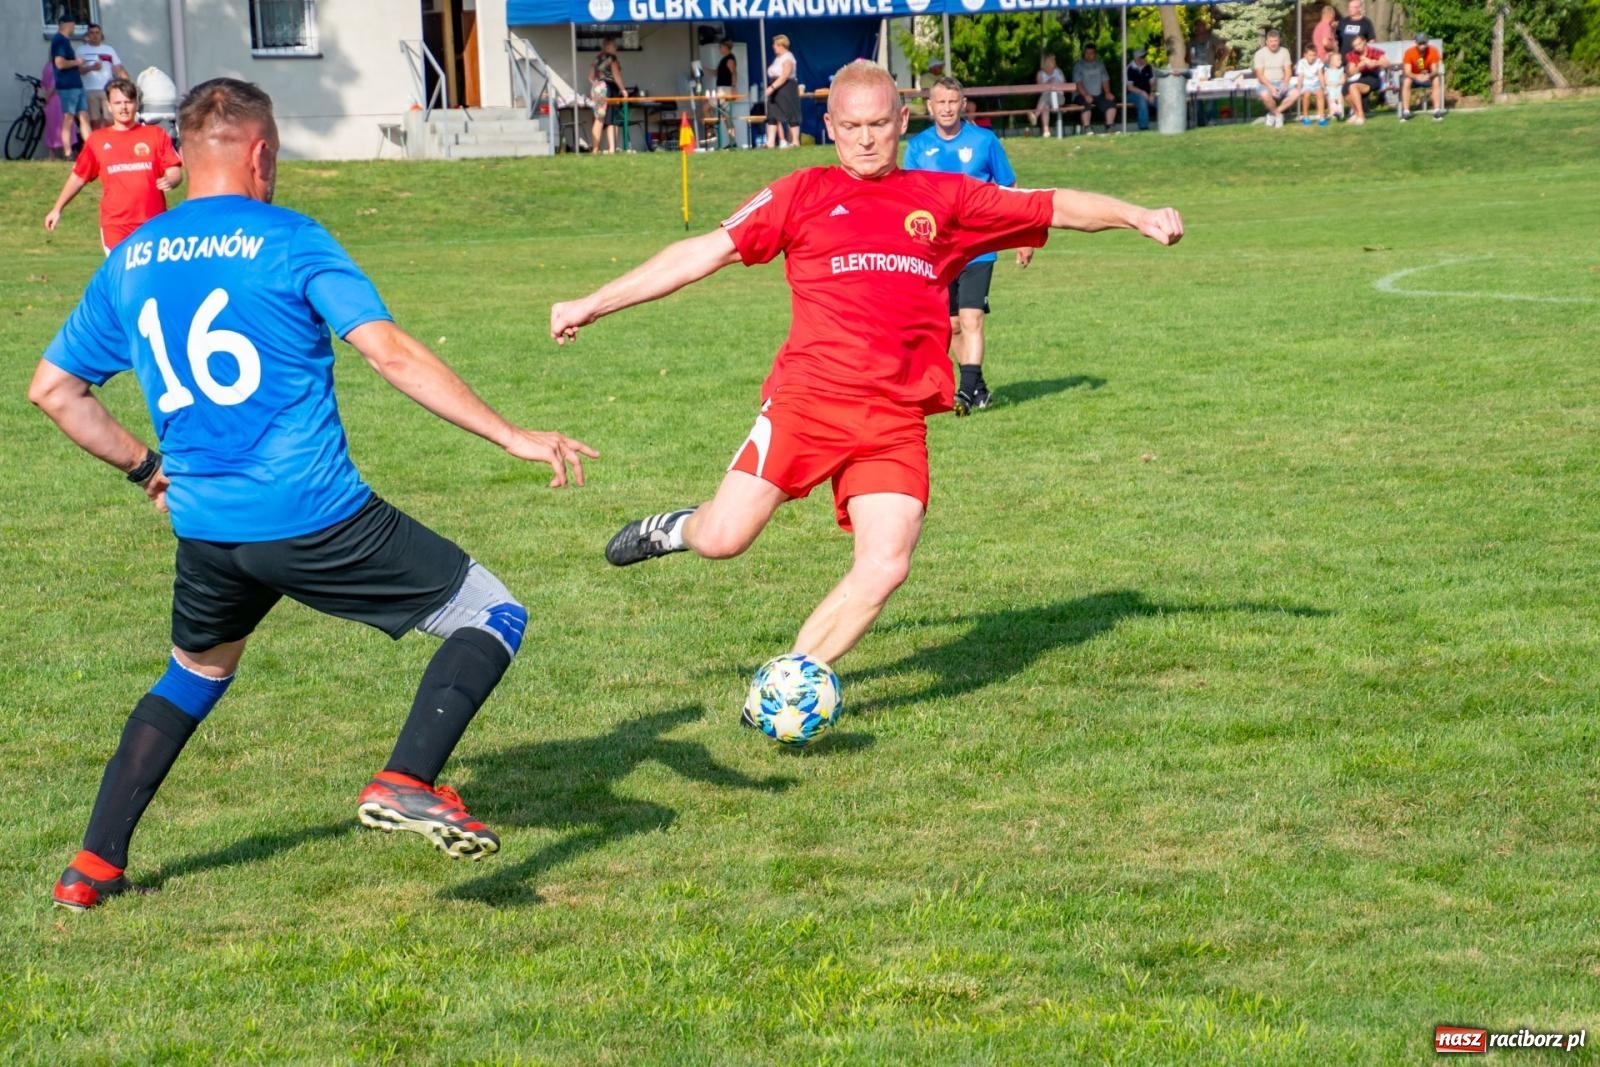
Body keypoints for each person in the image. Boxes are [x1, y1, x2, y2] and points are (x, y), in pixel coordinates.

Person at [31, 78, 597, 911]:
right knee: (492, 613)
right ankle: (404, 777)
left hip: (207, 527)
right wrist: (512, 434)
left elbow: (54, 391)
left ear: (180, 159)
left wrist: (148, 471)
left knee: (193, 672)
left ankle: (92, 864)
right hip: (314, 515)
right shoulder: (289, 239)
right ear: (261, 155)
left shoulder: (130, 259)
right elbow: (391, 352)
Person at [548, 61, 1181, 687]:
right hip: (807, 403)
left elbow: (1051, 203)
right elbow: (700, 254)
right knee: (724, 538)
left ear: (903, 120)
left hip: (894, 419)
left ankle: (788, 685)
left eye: (879, 123)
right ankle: (675, 529)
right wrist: (591, 303)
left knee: (885, 565)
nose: (867, 138)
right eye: (852, 126)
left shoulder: (943, 198)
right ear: (830, 125)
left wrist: (1136, 215)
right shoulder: (802, 193)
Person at [902, 76, 1032, 415]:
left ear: (963, 104)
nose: (946, 108)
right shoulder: (917, 147)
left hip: (978, 246)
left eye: (951, 102)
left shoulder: (984, 141)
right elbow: (907, 199)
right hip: (937, 251)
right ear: (929, 107)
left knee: (972, 318)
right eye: (939, 102)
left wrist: (1023, 235)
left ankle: (964, 393)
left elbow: (1010, 189)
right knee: (953, 325)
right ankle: (979, 387)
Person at [44, 79, 183, 254]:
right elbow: (78, 178)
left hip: (153, 222)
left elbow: (174, 169)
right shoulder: (97, 140)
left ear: (136, 104)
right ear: (109, 106)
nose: (123, 107)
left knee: (151, 278)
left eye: (128, 102)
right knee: (121, 278)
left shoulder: (155, 134)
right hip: (116, 226)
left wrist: (171, 179)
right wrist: (57, 209)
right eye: (118, 103)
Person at [49, 16, 93, 158]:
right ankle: (68, 153)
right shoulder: (59, 41)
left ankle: (90, 150)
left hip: (76, 84)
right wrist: (77, 62)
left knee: (84, 116)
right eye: (73, 24)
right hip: (67, 86)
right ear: (65, 24)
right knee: (68, 118)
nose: (74, 27)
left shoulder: (65, 41)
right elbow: (60, 63)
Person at [77, 23, 128, 129]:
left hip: (107, 89)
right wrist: (91, 68)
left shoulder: (109, 50)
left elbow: (118, 67)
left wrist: (127, 83)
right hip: (90, 90)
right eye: (92, 33)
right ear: (87, 35)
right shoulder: (81, 50)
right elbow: (78, 71)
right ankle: (98, 143)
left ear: (101, 35)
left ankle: (109, 142)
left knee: (109, 119)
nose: (95, 36)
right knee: (94, 120)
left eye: (97, 33)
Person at [1254, 29, 1300, 128]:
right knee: (1265, 94)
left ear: (1279, 41)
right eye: (1271, 41)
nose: (1273, 43)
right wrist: (1270, 87)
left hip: (1281, 82)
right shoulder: (1259, 54)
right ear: (1266, 42)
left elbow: (1288, 71)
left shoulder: (1284, 52)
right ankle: (1278, 116)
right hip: (1265, 83)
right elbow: (1259, 75)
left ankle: (1273, 114)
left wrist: (1285, 83)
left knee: (1295, 93)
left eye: (1275, 41)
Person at [764, 35, 802, 149]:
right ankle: (770, 142)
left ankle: (795, 141)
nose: (773, 47)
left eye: (775, 45)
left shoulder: (788, 58)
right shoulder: (777, 59)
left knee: (791, 114)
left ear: (781, 46)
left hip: (786, 88)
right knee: (773, 114)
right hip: (776, 88)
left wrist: (772, 87)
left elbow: (785, 75)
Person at [1072, 45, 1118, 135]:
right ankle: (1087, 128)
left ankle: (1109, 127)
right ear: (1083, 54)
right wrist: (1085, 95)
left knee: (1111, 103)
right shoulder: (1078, 65)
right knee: (1086, 103)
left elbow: (1105, 79)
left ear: (1095, 54)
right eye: (1087, 53)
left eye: (1091, 53)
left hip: (1098, 94)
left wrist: (1108, 92)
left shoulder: (1100, 65)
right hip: (1081, 95)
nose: (1089, 55)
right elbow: (1078, 83)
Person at [589, 36, 623, 154]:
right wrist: (623, 90)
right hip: (609, 88)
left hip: (597, 87)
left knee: (599, 119)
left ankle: (595, 149)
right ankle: (612, 148)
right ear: (608, 46)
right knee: (612, 118)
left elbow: (590, 77)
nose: (616, 48)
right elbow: (616, 75)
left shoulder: (596, 59)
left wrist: (597, 86)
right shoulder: (612, 58)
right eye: (614, 46)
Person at [1345, 32, 1387, 125]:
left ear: (1364, 41)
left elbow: (1387, 63)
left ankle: (1361, 116)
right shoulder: (1353, 55)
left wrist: (1375, 63)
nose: (1358, 47)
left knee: (1353, 87)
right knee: (1344, 89)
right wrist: (1359, 67)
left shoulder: (1374, 51)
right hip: (1361, 77)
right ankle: (1356, 113)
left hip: (1374, 77)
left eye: (1359, 44)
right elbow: (1351, 72)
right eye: (1355, 46)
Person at [1187, 24, 1224, 126]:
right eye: (1197, 27)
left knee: (1211, 96)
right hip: (1195, 73)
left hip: (1209, 72)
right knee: (1196, 97)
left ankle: (1211, 119)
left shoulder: (1211, 38)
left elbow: (1224, 49)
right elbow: (1187, 58)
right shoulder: (1191, 42)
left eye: (1201, 27)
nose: (1199, 29)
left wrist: (1219, 62)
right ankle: (1200, 121)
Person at [1401, 32, 1445, 120]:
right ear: (1416, 43)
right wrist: (1417, 76)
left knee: (1436, 79)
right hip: (1414, 77)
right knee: (1406, 81)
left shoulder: (1433, 51)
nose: (1422, 45)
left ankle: (1436, 110)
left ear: (1427, 42)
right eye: (1420, 43)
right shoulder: (1409, 52)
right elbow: (1407, 71)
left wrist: (1428, 76)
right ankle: (1406, 111)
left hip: (1427, 77)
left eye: (1424, 43)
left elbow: (1435, 70)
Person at [1294, 43, 1328, 126]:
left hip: (1316, 84)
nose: (1312, 57)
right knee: (1306, 94)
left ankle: (1321, 117)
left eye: (1314, 55)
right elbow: (1300, 76)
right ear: (1305, 55)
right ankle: (1305, 117)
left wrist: (1323, 86)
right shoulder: (1301, 62)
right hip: (1306, 84)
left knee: (1320, 94)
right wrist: (1299, 88)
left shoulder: (1318, 61)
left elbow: (1320, 74)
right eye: (1310, 55)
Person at [1033, 53, 1066, 137]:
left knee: (1046, 96)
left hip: (1059, 98)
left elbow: (1065, 85)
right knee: (1046, 105)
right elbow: (1040, 88)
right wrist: (1048, 83)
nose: (1053, 62)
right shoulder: (1040, 74)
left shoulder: (1058, 71)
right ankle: (1046, 130)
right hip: (1046, 99)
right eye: (1051, 60)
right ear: (1046, 62)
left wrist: (1054, 86)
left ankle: (1035, 115)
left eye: (1053, 60)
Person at [1125, 47, 1156, 132]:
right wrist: (1142, 92)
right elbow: (1130, 87)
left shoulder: (1149, 67)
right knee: (1142, 100)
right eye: (1142, 57)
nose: (1145, 58)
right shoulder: (1129, 69)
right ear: (1137, 58)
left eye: (1145, 56)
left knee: (1161, 101)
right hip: (1131, 94)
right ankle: (1144, 128)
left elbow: (1153, 83)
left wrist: (1152, 94)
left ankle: (1168, 124)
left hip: (1149, 94)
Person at [1323, 51, 1348, 120]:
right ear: (1331, 62)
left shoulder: (1340, 70)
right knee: (1331, 100)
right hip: (1330, 87)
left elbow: (1343, 80)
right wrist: (1329, 84)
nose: (1340, 61)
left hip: (1338, 87)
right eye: (1338, 60)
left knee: (1340, 99)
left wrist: (1338, 83)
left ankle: (1341, 112)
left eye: (1340, 60)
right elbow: (1325, 80)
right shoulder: (1327, 70)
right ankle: (1333, 113)